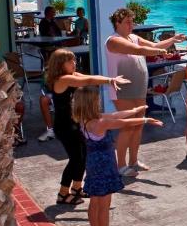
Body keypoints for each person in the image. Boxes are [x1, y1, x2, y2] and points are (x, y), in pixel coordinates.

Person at [72, 87, 162, 226]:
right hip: (104, 166)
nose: (99, 101)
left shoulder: (85, 120)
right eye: (96, 99)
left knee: (95, 203)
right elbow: (122, 122)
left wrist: (136, 110)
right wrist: (146, 120)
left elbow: (115, 115)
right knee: (104, 205)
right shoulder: (100, 122)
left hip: (92, 165)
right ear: (91, 103)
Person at [105, 7, 186, 175]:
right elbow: (139, 51)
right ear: (117, 23)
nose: (131, 25)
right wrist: (159, 51)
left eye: (131, 21)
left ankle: (133, 161)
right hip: (122, 90)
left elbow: (154, 45)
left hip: (138, 88)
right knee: (128, 127)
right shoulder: (113, 41)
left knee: (138, 125)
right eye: (127, 22)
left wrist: (172, 40)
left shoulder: (133, 37)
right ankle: (120, 165)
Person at [45, 49, 129, 205]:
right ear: (60, 65)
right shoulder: (62, 79)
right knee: (76, 158)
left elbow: (90, 78)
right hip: (65, 126)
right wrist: (110, 81)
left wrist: (110, 79)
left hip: (75, 124)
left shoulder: (72, 76)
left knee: (83, 157)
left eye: (74, 60)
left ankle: (77, 188)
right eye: (70, 61)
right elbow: (88, 81)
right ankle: (63, 193)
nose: (74, 63)